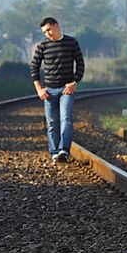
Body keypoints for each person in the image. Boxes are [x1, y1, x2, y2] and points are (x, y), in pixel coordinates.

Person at [30, 17, 85, 164]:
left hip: (66, 89)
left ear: (56, 26)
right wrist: (39, 89)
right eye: (44, 32)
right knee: (52, 123)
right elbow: (34, 68)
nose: (47, 33)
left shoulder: (71, 42)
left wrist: (74, 82)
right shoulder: (42, 46)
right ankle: (54, 153)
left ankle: (63, 151)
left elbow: (80, 64)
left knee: (65, 119)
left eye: (49, 29)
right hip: (49, 91)